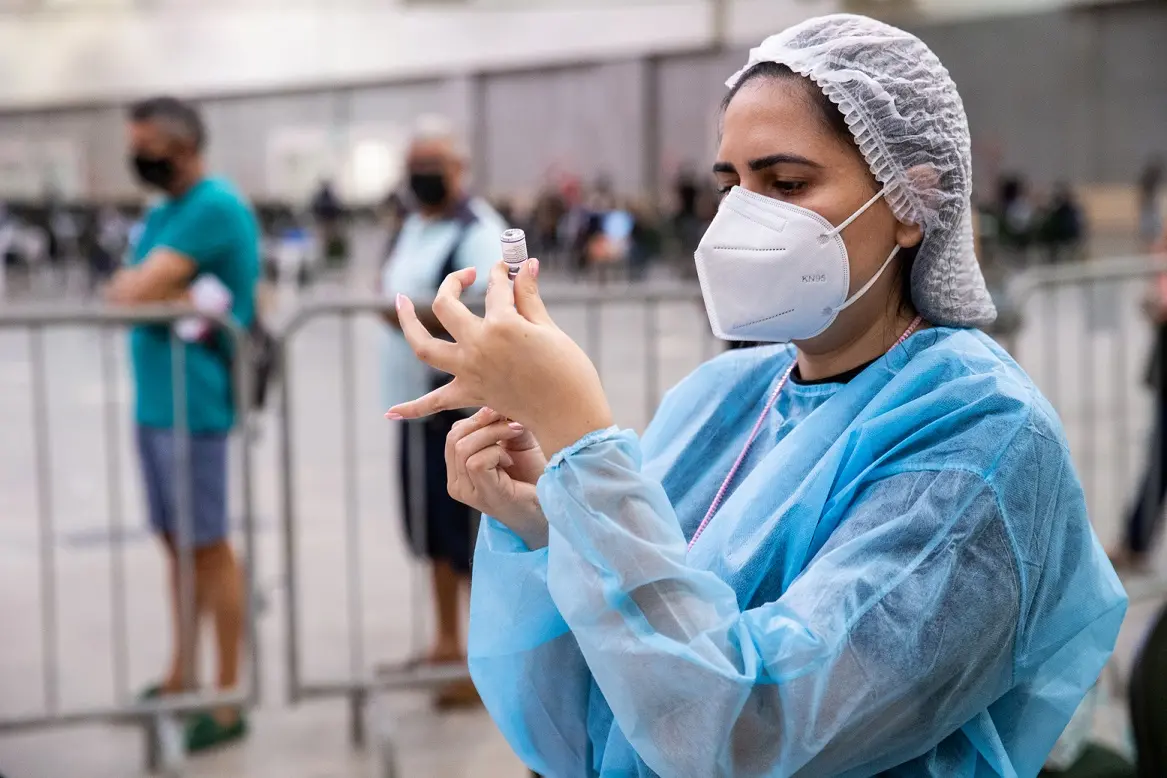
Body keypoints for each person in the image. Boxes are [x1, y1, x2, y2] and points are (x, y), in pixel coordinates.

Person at [385, 15, 1127, 776]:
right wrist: (554, 523)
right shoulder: (723, 397)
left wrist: (579, 434)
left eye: (787, 184)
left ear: (910, 202)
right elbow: (606, 710)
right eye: (729, 186)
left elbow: (748, 732)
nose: (741, 218)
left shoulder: (984, 441)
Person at [105, 96, 257, 752]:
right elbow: (123, 290)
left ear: (182, 146)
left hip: (195, 404)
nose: (136, 158)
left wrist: (152, 288)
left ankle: (226, 694)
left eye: (145, 147)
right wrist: (160, 290)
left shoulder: (213, 206)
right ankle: (181, 673)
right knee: (176, 544)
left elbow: (134, 290)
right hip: (154, 402)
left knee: (209, 546)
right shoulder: (163, 211)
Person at [377, 116, 506, 707]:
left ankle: (483, 662)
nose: (422, 177)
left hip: (462, 408)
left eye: (432, 166)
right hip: (415, 406)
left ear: (460, 169)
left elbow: (484, 307)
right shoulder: (412, 225)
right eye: (415, 167)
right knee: (429, 531)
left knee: (468, 539)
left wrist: (409, 315)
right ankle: (446, 645)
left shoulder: (479, 232)